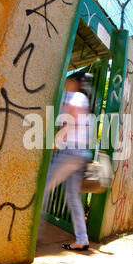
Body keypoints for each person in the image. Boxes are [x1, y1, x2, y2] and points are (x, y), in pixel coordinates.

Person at [42, 72, 93, 251]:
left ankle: (27, 231)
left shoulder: (76, 96)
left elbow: (70, 114)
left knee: (44, 185)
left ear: (74, 82)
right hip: (78, 153)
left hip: (71, 150)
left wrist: (57, 138)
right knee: (72, 197)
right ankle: (82, 239)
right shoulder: (76, 97)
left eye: (69, 80)